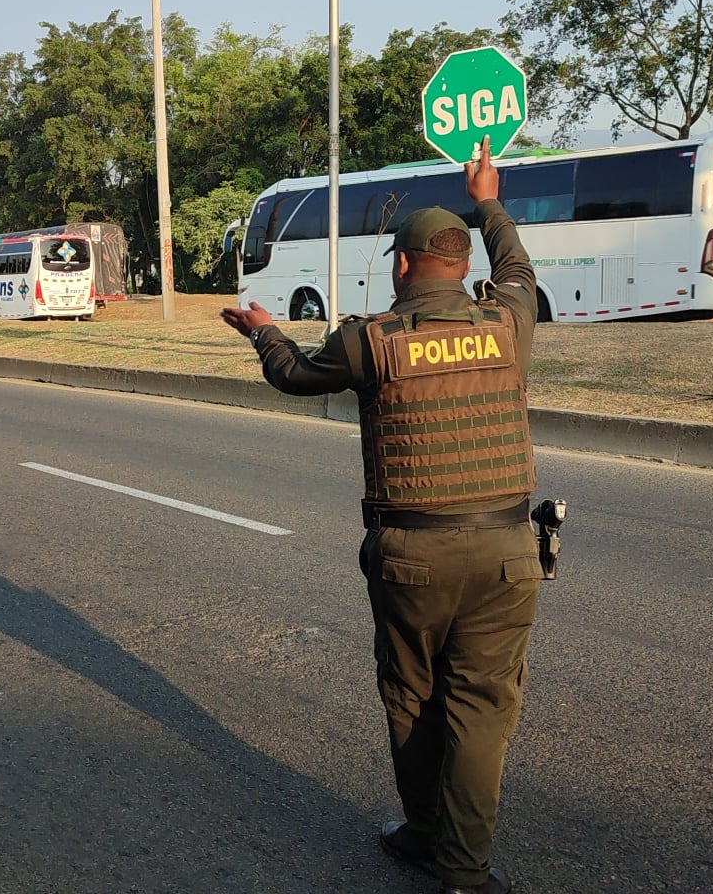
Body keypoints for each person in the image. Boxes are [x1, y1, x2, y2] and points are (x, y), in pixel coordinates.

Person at [220, 138, 539, 894]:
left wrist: (263, 329)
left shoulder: (370, 341)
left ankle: (424, 830)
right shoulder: (511, 322)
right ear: (466, 268)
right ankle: (465, 869)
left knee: (411, 694)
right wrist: (488, 197)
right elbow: (519, 266)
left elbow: (294, 375)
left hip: (413, 557)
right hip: (507, 550)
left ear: (402, 265)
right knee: (482, 706)